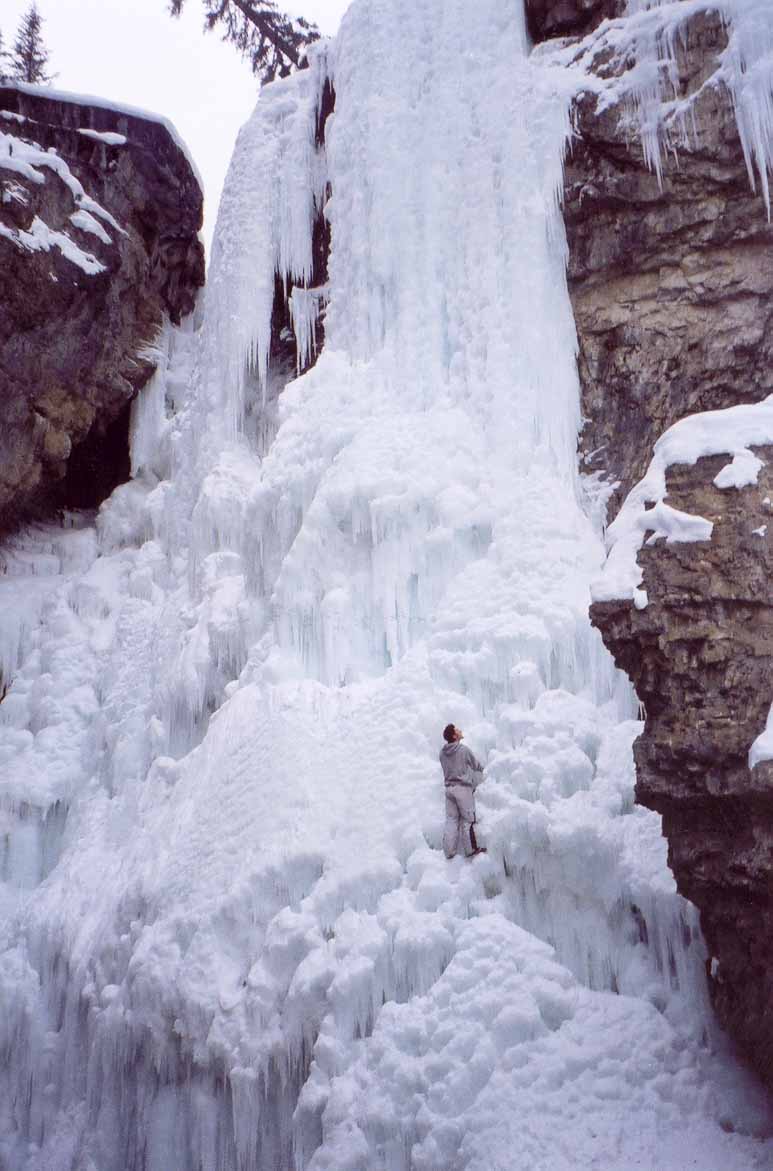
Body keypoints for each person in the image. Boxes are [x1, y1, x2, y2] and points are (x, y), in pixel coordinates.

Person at [439, 724, 486, 859]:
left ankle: (449, 852)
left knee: (452, 820)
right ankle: (471, 850)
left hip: (449, 790)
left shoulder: (442, 753)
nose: (460, 730)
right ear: (454, 735)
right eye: (457, 730)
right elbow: (476, 765)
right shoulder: (463, 750)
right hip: (463, 789)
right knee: (468, 819)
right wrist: (486, 771)